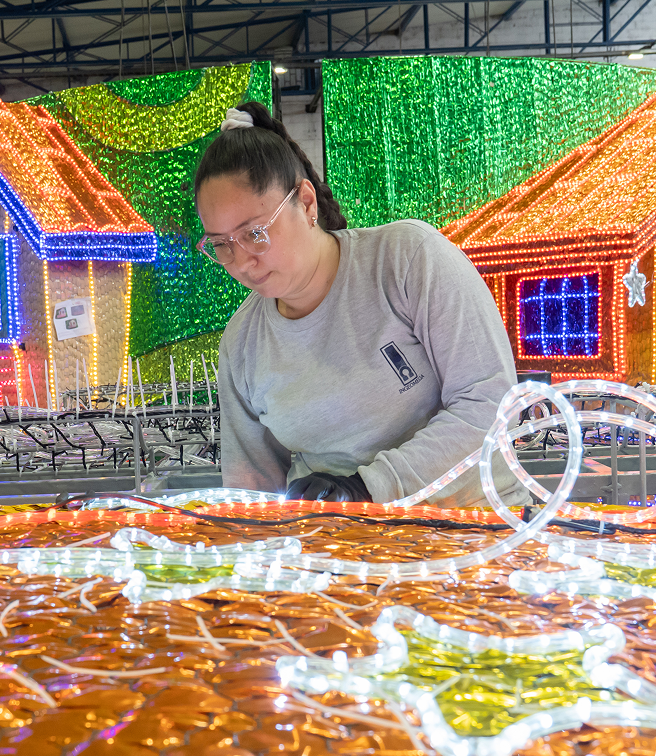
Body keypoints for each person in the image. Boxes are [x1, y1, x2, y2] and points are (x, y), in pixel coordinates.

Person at [194, 102, 529, 507]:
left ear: (305, 202)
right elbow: (253, 486)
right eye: (221, 244)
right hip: (338, 546)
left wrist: (367, 488)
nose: (242, 260)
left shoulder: (406, 260)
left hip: (472, 527)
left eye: (255, 233)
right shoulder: (243, 342)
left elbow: (492, 403)